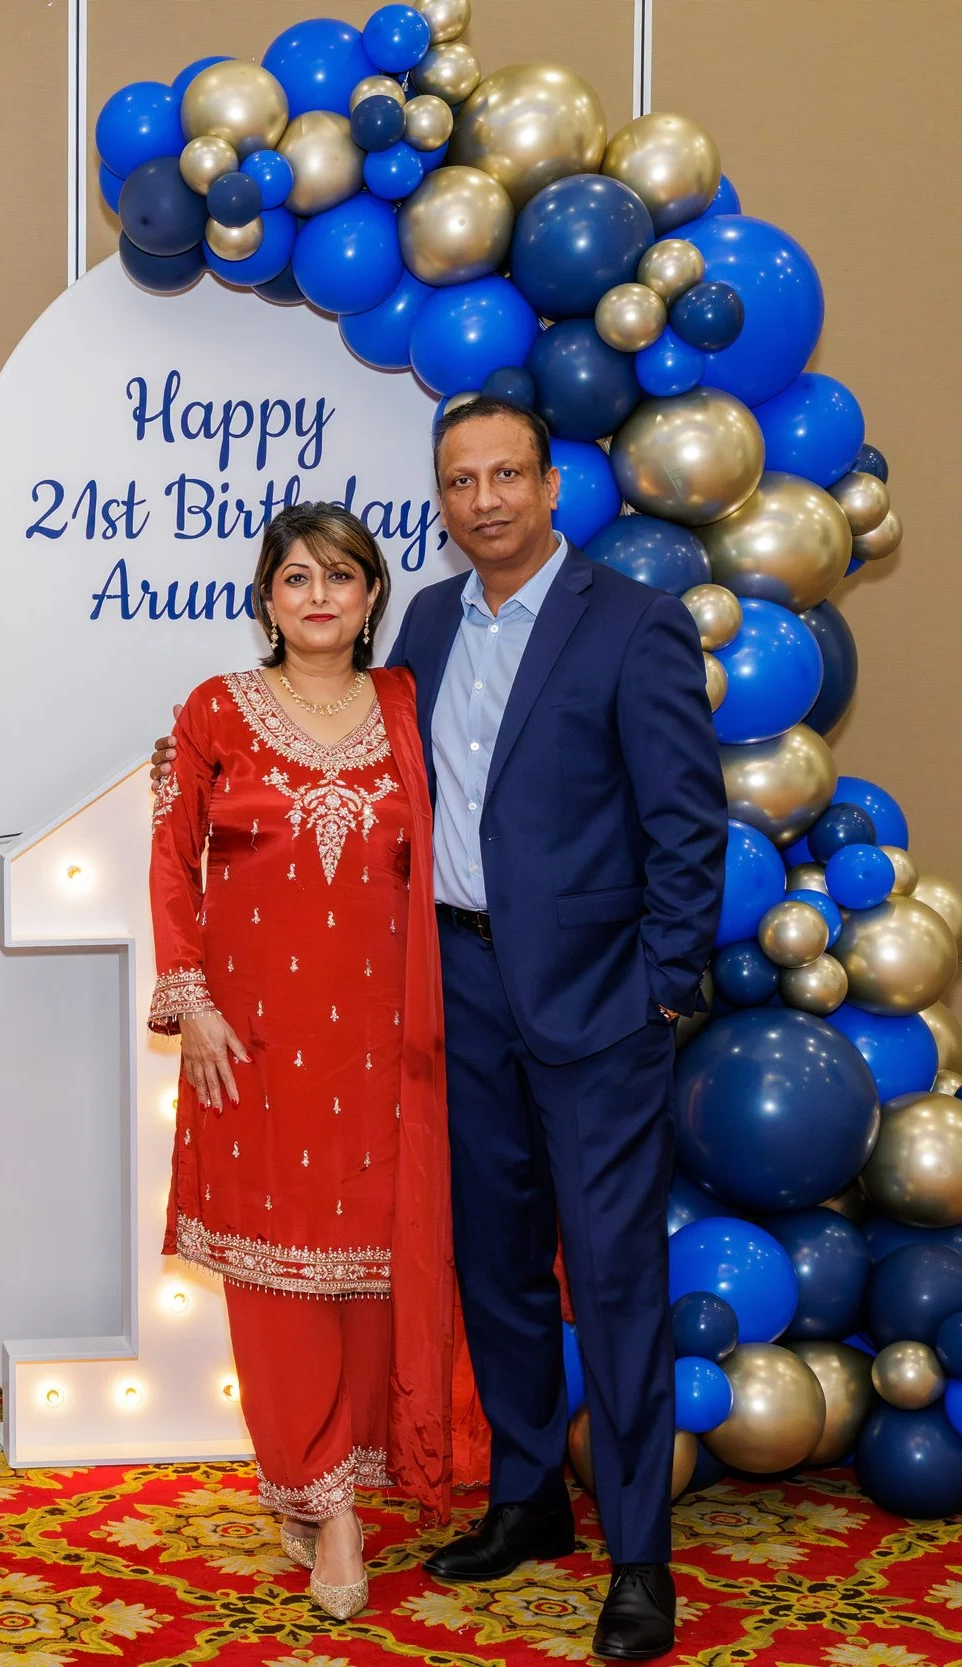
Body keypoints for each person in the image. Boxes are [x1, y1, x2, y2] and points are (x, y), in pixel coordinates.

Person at [388, 400, 723, 1662]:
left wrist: (662, 987)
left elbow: (687, 825)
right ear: (442, 496)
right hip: (460, 987)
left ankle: (640, 1553)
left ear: (549, 485)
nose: (484, 500)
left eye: (506, 474)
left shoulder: (631, 623)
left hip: (600, 1006)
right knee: (496, 1264)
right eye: (461, 480)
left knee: (618, 1277)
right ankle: (528, 1495)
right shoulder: (424, 623)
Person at [149, 502, 464, 1621]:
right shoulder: (215, 710)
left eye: (341, 575)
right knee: (276, 1272)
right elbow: (170, 859)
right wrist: (193, 1004)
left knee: (376, 1265)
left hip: (391, 1035)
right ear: (266, 599)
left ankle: (337, 1473)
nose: (319, 594)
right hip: (257, 1036)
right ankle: (326, 1502)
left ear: (373, 596)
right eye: (295, 577)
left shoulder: (409, 709)